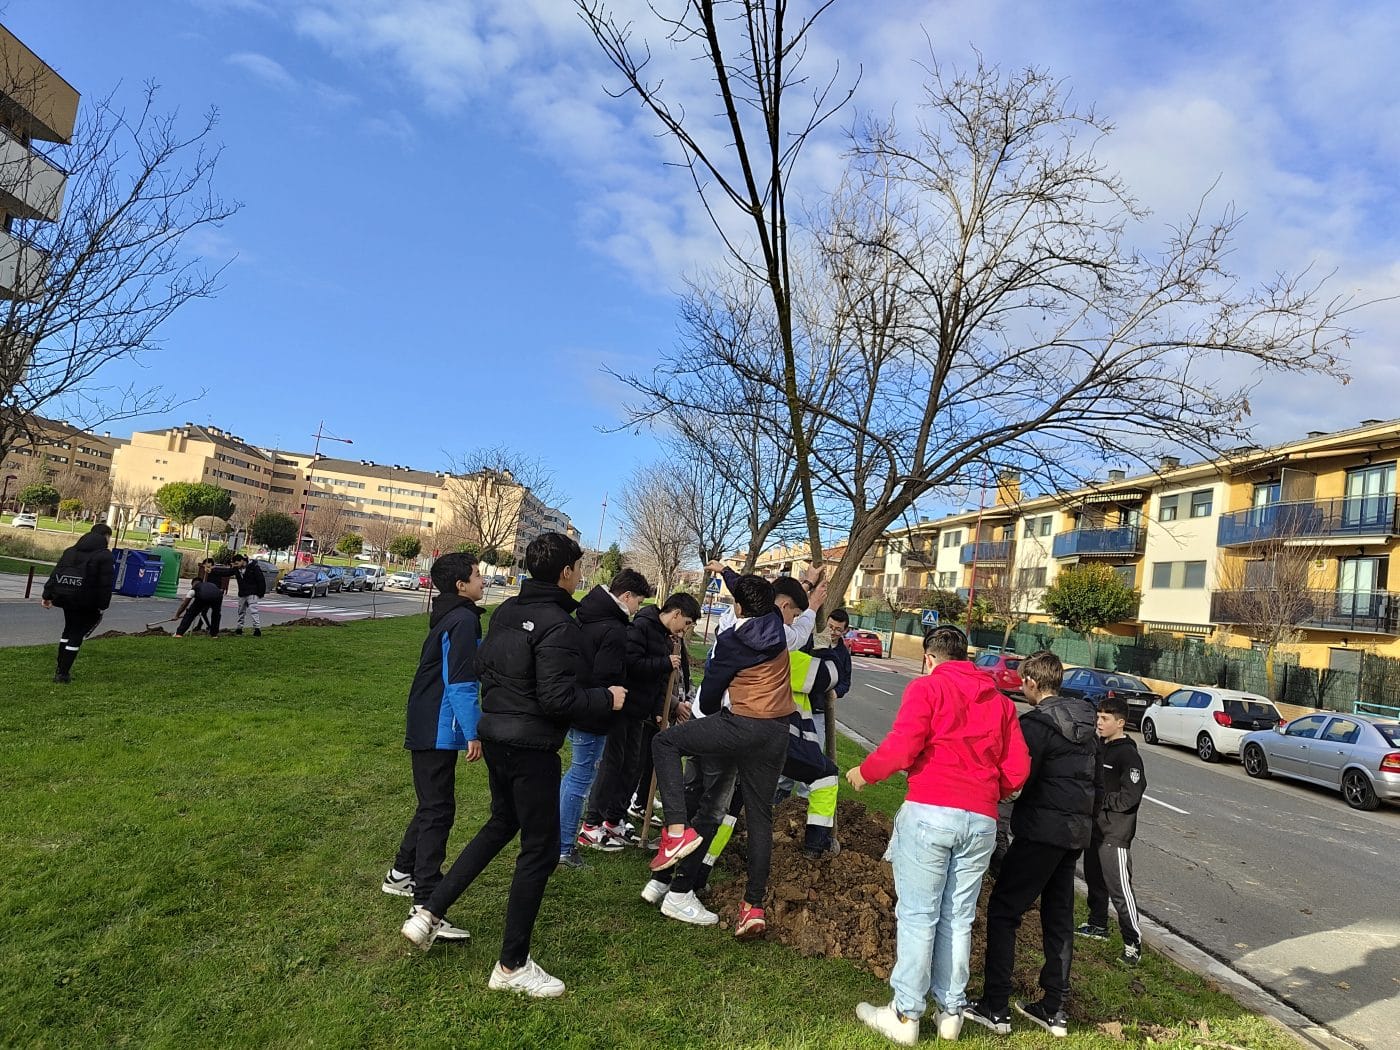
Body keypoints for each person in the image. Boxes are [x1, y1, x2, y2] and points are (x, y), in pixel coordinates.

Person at [400, 532, 625, 999]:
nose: (580, 576)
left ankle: (428, 912)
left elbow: (487, 670)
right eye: (579, 568)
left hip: (498, 737)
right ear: (566, 573)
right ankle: (512, 965)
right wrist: (607, 698)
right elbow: (558, 698)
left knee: (501, 824)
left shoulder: (505, 612)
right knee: (540, 852)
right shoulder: (559, 626)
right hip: (529, 749)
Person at [847, 625, 1031, 1046]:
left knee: (917, 915)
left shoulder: (926, 689)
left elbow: (903, 745)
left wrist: (865, 772)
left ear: (929, 658)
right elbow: (1018, 769)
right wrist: (988, 792)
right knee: (958, 917)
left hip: (931, 811)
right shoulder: (1001, 703)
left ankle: (905, 1014)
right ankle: (951, 1011)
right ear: (966, 657)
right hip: (981, 820)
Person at [647, 565, 825, 938]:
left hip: (740, 725)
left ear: (738, 608)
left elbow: (710, 701)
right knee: (760, 818)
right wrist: (730, 575)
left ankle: (676, 829)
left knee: (664, 743)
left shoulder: (730, 641)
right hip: (777, 733)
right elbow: (751, 594)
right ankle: (753, 907)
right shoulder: (779, 626)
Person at [965, 650, 1099, 1040]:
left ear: (1033, 684)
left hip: (1039, 831)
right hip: (1073, 835)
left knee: (1005, 910)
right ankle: (1053, 1008)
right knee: (1058, 917)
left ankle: (995, 1005)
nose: (1021, 687)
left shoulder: (1036, 726)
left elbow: (1016, 779)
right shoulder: (1088, 726)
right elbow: (1096, 786)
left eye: (1023, 681)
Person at [381, 552, 487, 944]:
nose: (482, 581)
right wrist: (473, 732)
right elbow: (459, 682)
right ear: (460, 585)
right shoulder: (460, 620)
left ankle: (400, 873)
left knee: (431, 803)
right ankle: (425, 899)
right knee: (439, 809)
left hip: (430, 722)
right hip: (434, 726)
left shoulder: (453, 614)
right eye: (477, 576)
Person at [560, 568, 652, 868]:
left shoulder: (589, 613)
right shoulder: (613, 628)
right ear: (626, 596)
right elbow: (605, 673)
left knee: (575, 776)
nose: (638, 608)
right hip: (594, 710)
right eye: (638, 600)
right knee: (581, 779)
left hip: (578, 702)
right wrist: (613, 693)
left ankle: (558, 835)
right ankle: (563, 845)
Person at [622, 593, 701, 835]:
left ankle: (637, 803)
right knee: (633, 763)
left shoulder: (672, 637)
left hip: (658, 709)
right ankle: (617, 812)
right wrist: (665, 707)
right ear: (676, 614)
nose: (686, 629)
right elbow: (650, 672)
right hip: (642, 709)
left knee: (649, 760)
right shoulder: (647, 629)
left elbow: (677, 675)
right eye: (687, 623)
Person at [1077, 696, 1147, 966]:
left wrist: (1100, 801)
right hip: (1095, 830)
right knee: (1095, 881)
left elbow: (1131, 795)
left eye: (1105, 719)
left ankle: (1132, 943)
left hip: (1114, 835)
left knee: (1120, 890)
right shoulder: (1101, 747)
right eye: (1098, 717)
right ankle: (1098, 925)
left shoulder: (1127, 754)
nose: (1099, 722)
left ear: (1120, 723)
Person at [41, 523, 114, 683]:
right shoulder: (104, 556)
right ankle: (63, 673)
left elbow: (56, 573)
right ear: (106, 537)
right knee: (77, 634)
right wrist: (103, 605)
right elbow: (105, 584)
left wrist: (47, 595)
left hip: (66, 597)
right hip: (87, 601)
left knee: (68, 630)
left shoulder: (70, 551)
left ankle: (60, 667)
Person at [174, 560, 228, 638]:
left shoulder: (194, 589)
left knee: (190, 613)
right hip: (218, 595)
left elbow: (184, 605)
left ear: (193, 584)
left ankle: (179, 633)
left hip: (204, 597)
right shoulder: (208, 584)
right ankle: (214, 635)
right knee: (216, 615)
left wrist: (177, 615)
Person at [229, 554, 266, 637]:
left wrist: (260, 593)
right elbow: (227, 572)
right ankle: (239, 628)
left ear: (242, 561)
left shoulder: (254, 567)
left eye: (237, 563)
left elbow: (260, 580)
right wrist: (213, 570)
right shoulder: (237, 569)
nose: (236, 566)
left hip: (252, 593)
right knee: (241, 611)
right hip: (242, 593)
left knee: (254, 611)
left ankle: (257, 629)